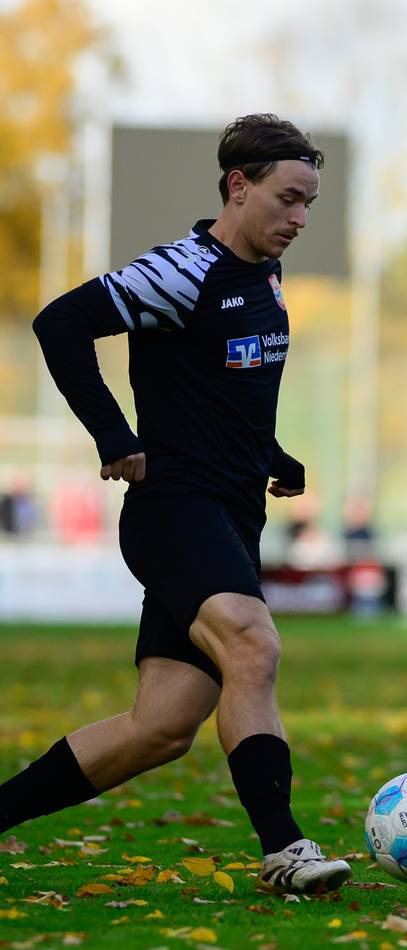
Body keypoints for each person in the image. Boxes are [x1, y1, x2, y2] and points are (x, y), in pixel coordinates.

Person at [6, 114, 351, 895]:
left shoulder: (264, 272)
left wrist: (273, 456)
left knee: (159, 729)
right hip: (173, 510)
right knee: (254, 647)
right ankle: (285, 851)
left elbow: (220, 388)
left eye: (310, 204)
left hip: (231, 514)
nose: (300, 219)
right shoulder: (181, 269)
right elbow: (61, 323)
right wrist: (113, 436)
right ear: (239, 186)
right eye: (289, 199)